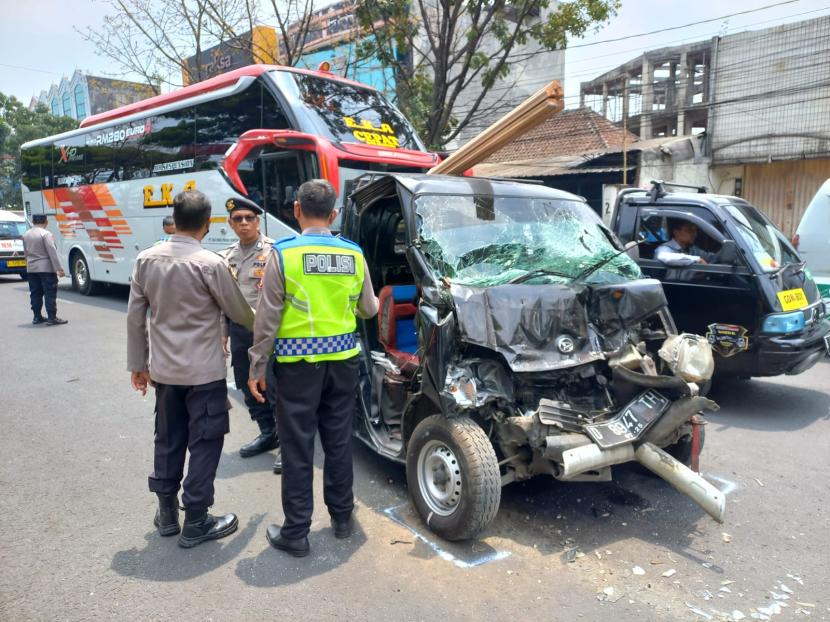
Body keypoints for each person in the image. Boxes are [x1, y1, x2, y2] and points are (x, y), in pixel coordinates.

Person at [248, 179, 379, 558]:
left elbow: (268, 317)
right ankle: (341, 518)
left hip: (297, 368)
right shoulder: (353, 254)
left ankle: (296, 532)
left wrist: (257, 365)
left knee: (297, 447)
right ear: (334, 214)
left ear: (296, 210)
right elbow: (368, 309)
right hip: (342, 364)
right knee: (338, 441)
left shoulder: (284, 254)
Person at [127, 190, 255, 549]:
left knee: (168, 440)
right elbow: (240, 312)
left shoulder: (145, 260)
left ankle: (167, 513)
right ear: (207, 223)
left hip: (164, 374)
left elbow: (136, 317)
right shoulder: (210, 264)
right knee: (205, 442)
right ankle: (196, 519)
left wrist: (138, 365)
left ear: (175, 218)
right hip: (204, 374)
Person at [218, 197, 280, 471]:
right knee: (245, 383)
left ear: (258, 221)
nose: (244, 223)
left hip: (271, 331)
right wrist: (223, 332)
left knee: (275, 386)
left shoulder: (275, 252)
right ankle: (268, 432)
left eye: (249, 218)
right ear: (230, 224)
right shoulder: (225, 257)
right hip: (240, 330)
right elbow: (221, 299)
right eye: (238, 219)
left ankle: (288, 444)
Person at [22, 214, 67, 326]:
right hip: (46, 268)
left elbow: (25, 253)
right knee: (49, 293)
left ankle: (37, 317)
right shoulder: (46, 234)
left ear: (32, 221)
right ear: (46, 222)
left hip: (31, 269)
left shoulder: (26, 234)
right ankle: (52, 317)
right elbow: (52, 252)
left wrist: (28, 265)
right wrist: (59, 269)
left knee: (35, 293)